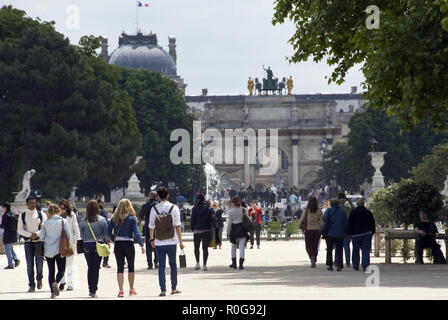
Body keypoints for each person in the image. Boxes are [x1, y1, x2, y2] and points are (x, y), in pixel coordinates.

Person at [149, 186, 184, 296]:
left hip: (159, 241)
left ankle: (163, 289)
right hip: (172, 240)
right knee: (173, 264)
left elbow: (151, 226)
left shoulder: (154, 209)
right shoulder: (174, 207)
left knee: (162, 266)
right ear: (168, 195)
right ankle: (173, 288)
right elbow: (178, 226)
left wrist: (151, 239)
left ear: (158, 196)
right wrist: (181, 241)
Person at [32, 203, 71, 299]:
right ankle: (56, 283)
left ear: (49, 212)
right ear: (58, 211)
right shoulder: (63, 221)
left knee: (51, 271)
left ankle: (52, 293)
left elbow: (42, 237)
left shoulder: (45, 223)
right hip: (60, 249)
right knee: (61, 270)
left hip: (48, 250)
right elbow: (68, 235)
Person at [108, 198, 145, 297]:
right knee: (131, 267)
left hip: (118, 243)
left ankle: (121, 290)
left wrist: (113, 239)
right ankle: (131, 289)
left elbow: (108, 230)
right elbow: (137, 232)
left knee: (120, 268)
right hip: (128, 243)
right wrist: (141, 244)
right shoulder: (132, 219)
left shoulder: (114, 217)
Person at [79, 199, 110, 298]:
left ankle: (90, 288)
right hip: (98, 244)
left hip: (87, 245)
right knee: (96, 268)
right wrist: (108, 242)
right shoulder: (102, 220)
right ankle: (94, 290)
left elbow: (82, 235)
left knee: (90, 267)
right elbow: (105, 233)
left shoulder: (83, 220)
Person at [17, 196, 46, 292]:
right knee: (29, 265)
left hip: (39, 242)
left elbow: (45, 228)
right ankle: (31, 285)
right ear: (27, 204)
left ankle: (39, 278)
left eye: (34, 203)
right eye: (31, 203)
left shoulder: (41, 214)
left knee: (39, 263)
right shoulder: (23, 215)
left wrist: (37, 234)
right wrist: (30, 235)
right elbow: (20, 229)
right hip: (28, 242)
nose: (33, 205)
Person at [346, 198, 376, 271]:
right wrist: (372, 232)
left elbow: (350, 224)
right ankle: (365, 265)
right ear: (363, 204)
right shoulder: (368, 212)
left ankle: (356, 265)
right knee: (366, 250)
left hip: (355, 235)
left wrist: (349, 233)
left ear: (357, 204)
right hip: (366, 234)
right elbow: (372, 224)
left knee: (355, 250)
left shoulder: (353, 212)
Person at [58, 199, 80, 291]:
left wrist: (79, 240)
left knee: (70, 264)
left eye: (64, 208)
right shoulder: (56, 216)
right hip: (59, 242)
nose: (62, 210)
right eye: (61, 208)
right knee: (60, 263)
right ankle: (62, 281)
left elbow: (76, 228)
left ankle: (70, 283)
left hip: (70, 242)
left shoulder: (72, 216)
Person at [322, 198, 348, 271]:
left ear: (331, 204)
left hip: (329, 233)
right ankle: (339, 265)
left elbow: (324, 219)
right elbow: (345, 223)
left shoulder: (328, 211)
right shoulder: (342, 212)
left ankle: (330, 265)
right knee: (339, 250)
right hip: (339, 233)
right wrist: (346, 232)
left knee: (329, 249)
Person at [191, 194, 214, 271]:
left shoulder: (194, 209)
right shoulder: (208, 209)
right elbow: (211, 219)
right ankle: (204, 265)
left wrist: (192, 228)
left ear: (197, 200)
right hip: (206, 230)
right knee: (205, 248)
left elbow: (192, 220)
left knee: (196, 248)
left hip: (197, 230)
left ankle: (197, 263)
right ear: (204, 200)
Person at [298, 197, 323, 268]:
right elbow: (322, 221)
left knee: (308, 246)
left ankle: (311, 256)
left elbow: (301, 220)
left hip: (308, 230)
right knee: (315, 245)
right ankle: (314, 258)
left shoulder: (306, 211)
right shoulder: (319, 211)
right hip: (317, 230)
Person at [226, 197, 250, 270]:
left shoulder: (230, 211)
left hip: (234, 229)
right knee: (242, 247)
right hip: (242, 228)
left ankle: (234, 263)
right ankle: (241, 264)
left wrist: (227, 233)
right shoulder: (242, 209)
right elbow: (246, 219)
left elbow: (229, 223)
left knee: (233, 247)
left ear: (233, 203)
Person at [140, 191, 159, 270]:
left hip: (148, 226)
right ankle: (156, 261)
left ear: (149, 196)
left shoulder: (145, 205)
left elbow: (141, 215)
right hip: (158, 227)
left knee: (148, 245)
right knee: (157, 244)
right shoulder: (158, 205)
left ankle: (150, 264)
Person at [0, 202, 20, 269]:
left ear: (5, 208)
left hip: (7, 234)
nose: (2, 208)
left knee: (7, 250)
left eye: (2, 207)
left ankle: (10, 264)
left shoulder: (5, 216)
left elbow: (2, 226)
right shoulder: (14, 214)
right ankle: (16, 259)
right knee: (10, 248)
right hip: (13, 234)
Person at [338, 192, 354, 268]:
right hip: (349, 226)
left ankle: (337, 261)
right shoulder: (350, 204)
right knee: (347, 245)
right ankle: (348, 262)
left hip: (340, 227)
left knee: (338, 246)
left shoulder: (338, 205)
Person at [97, 199, 111, 269]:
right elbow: (106, 222)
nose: (104, 203)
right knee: (105, 247)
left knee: (98, 247)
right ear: (99, 203)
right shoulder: (102, 211)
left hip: (96, 232)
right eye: (103, 202)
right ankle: (105, 262)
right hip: (103, 231)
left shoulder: (95, 211)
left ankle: (97, 263)